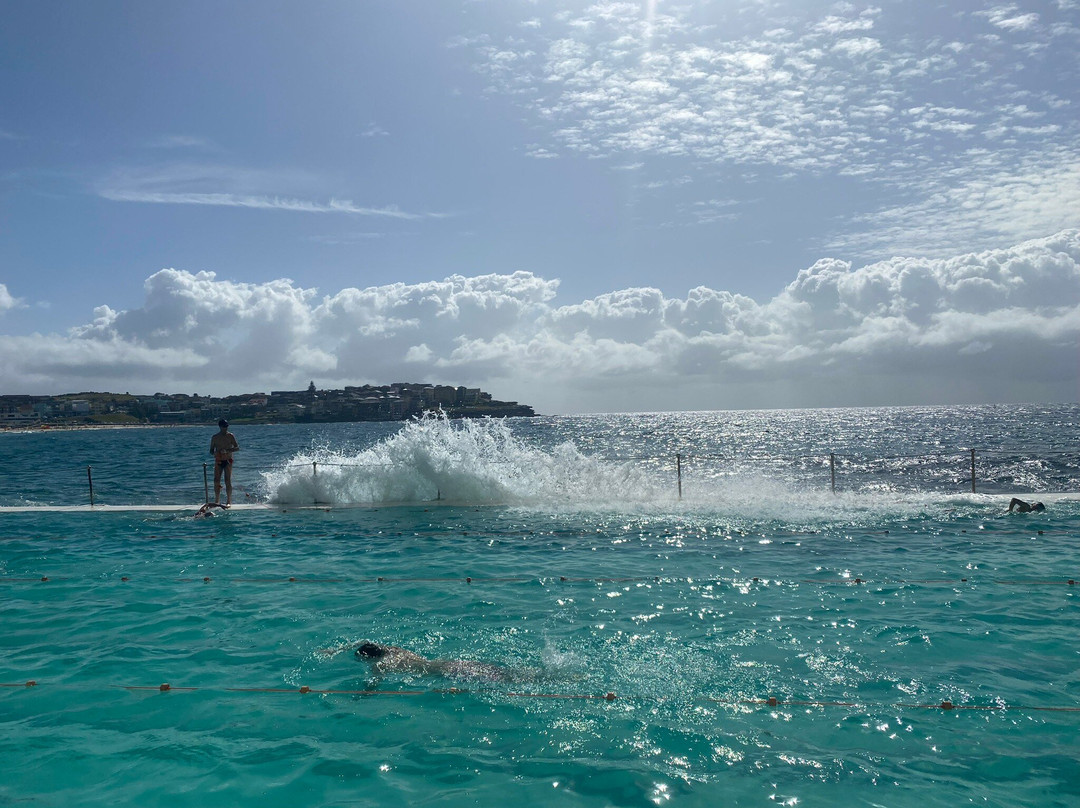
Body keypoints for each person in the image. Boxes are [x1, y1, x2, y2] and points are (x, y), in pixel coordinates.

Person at [354, 642, 517, 682]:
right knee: (491, 671)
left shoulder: (380, 664)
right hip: (446, 663)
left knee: (499, 679)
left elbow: (373, 683)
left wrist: (361, 697)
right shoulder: (394, 650)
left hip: (441, 673)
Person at [209, 419, 239, 505]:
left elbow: (237, 448)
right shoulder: (215, 437)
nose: (226, 428)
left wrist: (227, 450)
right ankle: (217, 500)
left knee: (227, 480)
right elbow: (211, 450)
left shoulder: (230, 436)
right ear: (220, 427)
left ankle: (229, 501)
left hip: (228, 460)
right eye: (224, 427)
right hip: (219, 461)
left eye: (227, 426)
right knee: (216, 480)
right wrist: (215, 453)